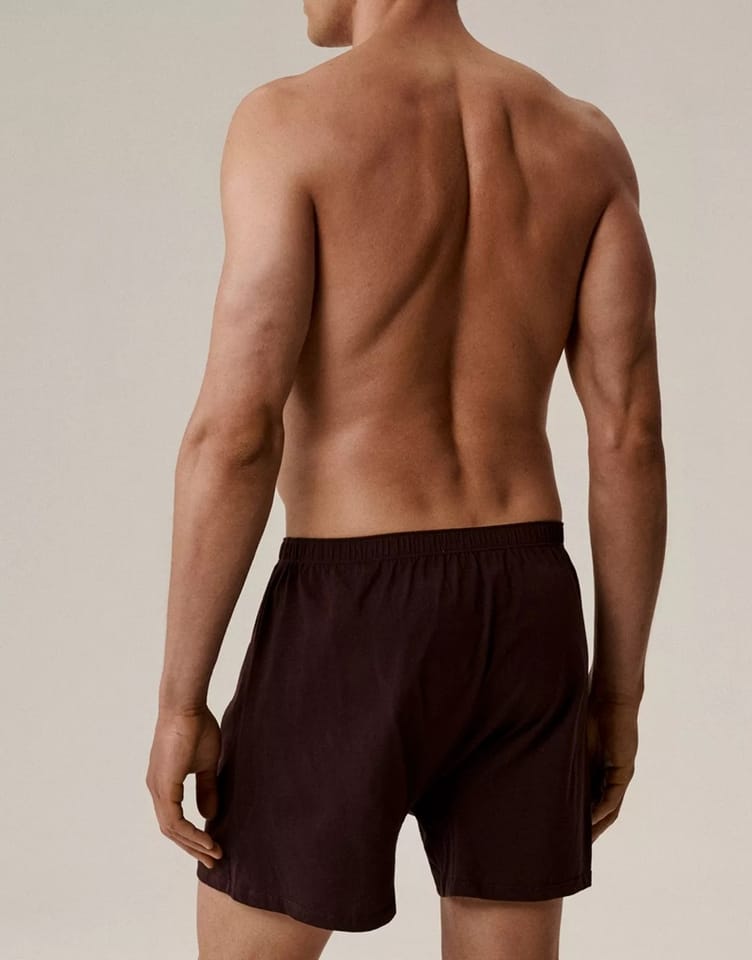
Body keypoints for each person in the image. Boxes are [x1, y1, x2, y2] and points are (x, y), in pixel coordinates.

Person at [146, 0, 667, 956]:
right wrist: (617, 695)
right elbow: (628, 439)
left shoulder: (288, 123)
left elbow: (237, 432)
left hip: (351, 611)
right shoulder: (583, 141)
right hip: (528, 610)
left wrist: (181, 701)